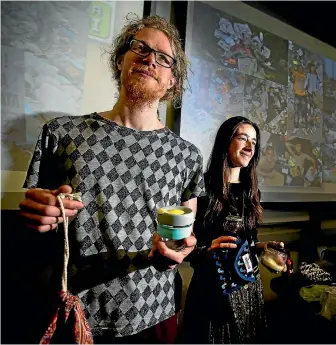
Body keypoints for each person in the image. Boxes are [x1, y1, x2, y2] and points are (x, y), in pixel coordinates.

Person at [18, 15, 205, 343]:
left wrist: (177, 250)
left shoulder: (188, 155)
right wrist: (40, 217)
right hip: (75, 314)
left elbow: (183, 236)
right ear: (121, 59)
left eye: (164, 58)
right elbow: (38, 219)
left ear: (173, 81)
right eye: (141, 48)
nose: (150, 59)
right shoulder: (61, 133)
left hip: (154, 314)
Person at [181, 116, 286, 344]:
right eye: (243, 138)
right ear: (226, 142)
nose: (250, 147)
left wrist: (264, 248)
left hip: (247, 285)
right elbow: (183, 245)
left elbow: (247, 242)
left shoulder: (252, 192)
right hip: (211, 290)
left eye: (254, 142)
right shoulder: (201, 187)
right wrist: (206, 250)